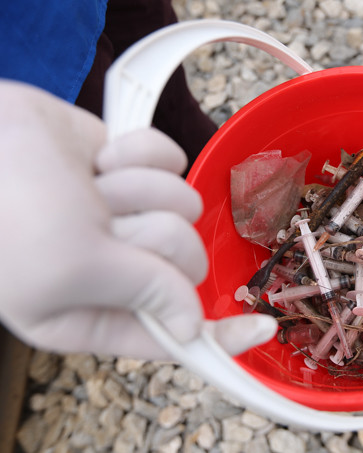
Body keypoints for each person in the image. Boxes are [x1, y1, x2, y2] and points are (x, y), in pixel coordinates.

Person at [0, 1, 277, 359]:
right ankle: (204, 225)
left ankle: (205, 171)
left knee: (161, 73)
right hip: (30, 62)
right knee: (105, 151)